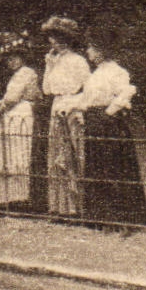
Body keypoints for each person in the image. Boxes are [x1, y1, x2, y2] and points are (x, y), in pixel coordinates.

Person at [59, 35, 146, 231]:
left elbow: (127, 92)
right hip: (94, 120)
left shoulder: (117, 72)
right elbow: (89, 97)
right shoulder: (96, 73)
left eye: (91, 48)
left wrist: (109, 113)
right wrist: (70, 105)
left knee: (114, 168)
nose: (88, 52)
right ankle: (100, 217)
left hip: (109, 123)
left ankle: (122, 219)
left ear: (101, 50)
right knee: (96, 167)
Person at [39, 16, 92, 218]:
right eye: (52, 37)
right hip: (57, 105)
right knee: (56, 157)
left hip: (71, 107)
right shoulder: (54, 61)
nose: (53, 42)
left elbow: (89, 88)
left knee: (71, 156)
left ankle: (75, 207)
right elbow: (46, 89)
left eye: (58, 37)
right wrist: (49, 66)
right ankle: (58, 206)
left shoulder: (78, 61)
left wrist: (74, 105)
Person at [0, 34, 41, 212]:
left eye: (14, 58)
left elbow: (12, 98)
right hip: (12, 115)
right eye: (9, 59)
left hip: (20, 115)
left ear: (22, 58)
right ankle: (6, 197)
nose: (11, 62)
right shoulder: (17, 75)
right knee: (7, 155)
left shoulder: (26, 73)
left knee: (18, 154)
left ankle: (19, 198)